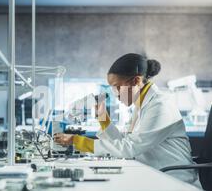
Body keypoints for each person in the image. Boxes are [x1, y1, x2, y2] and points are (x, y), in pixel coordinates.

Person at [54, 53, 198, 184]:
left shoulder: (160, 105)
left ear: (135, 81)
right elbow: (125, 142)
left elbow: (130, 148)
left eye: (117, 87)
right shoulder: (141, 106)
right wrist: (104, 120)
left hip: (174, 180)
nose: (115, 94)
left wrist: (77, 141)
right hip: (153, 175)